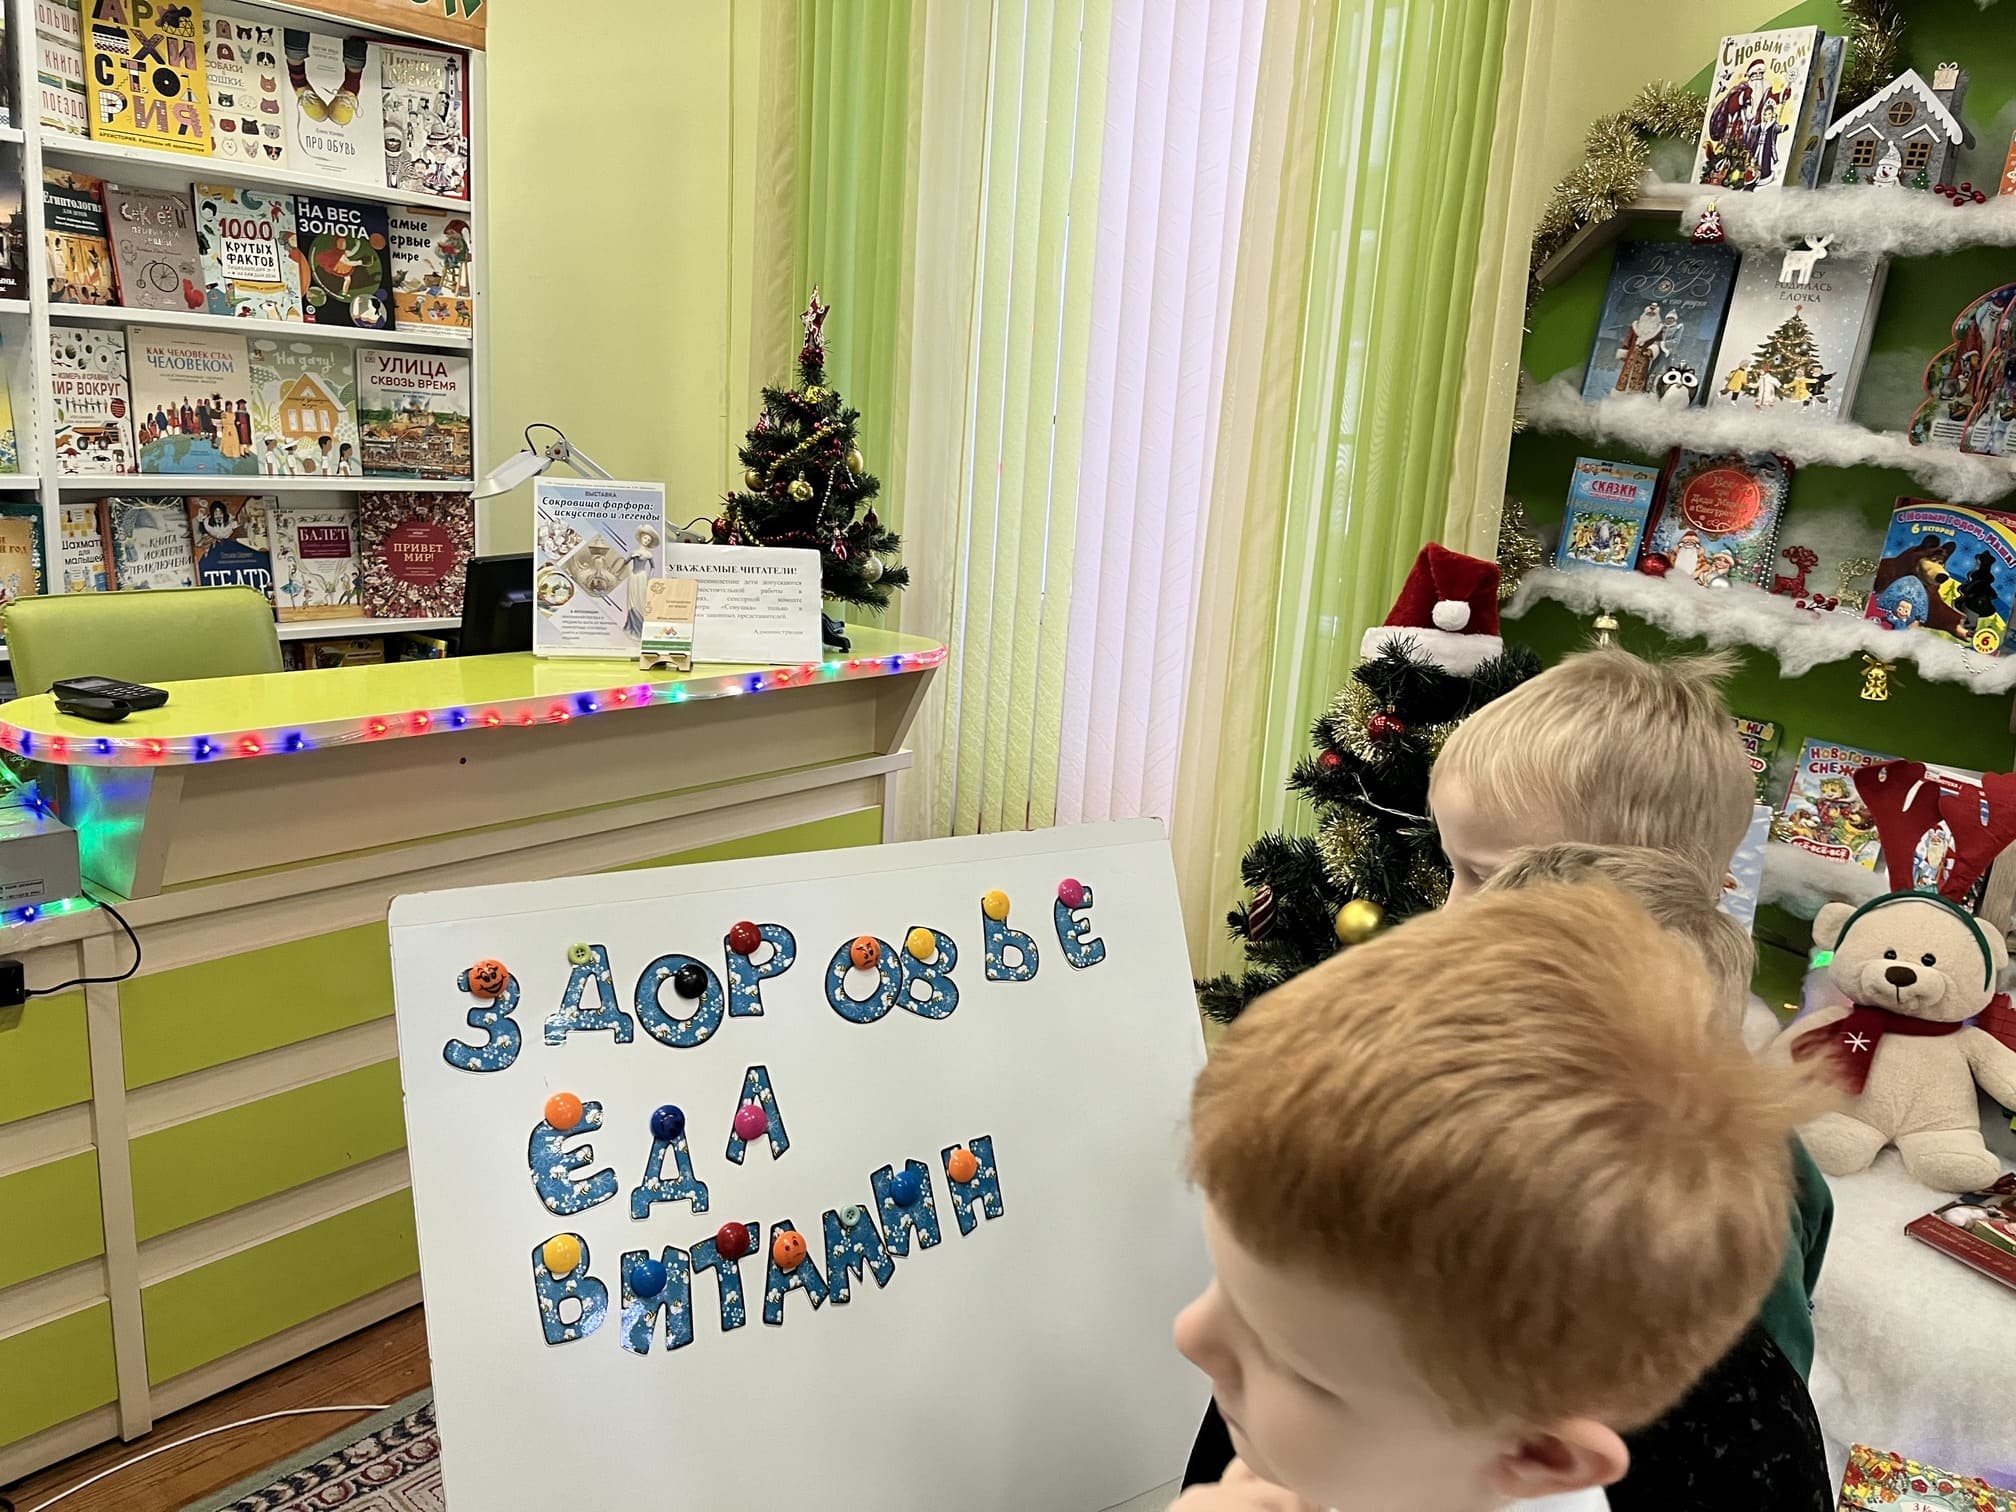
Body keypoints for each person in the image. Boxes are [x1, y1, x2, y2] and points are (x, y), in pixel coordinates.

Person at [1173, 887, 1832, 1512]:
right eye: (1225, 1287)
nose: (1190, 1336)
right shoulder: (1395, 1455)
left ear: (1538, 1457)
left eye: (1292, 1364)